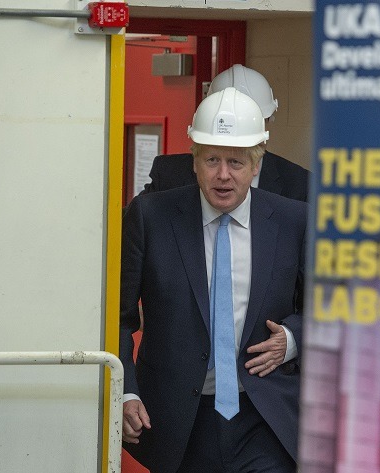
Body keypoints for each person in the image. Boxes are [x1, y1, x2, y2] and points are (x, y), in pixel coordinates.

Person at [120, 87, 306, 472]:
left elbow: (330, 309)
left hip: (265, 416)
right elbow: (117, 318)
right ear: (194, 161)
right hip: (179, 419)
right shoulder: (150, 217)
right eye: (212, 160)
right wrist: (125, 391)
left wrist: (292, 340)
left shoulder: (294, 221)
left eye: (236, 163)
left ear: (257, 165)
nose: (223, 175)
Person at [140, 64, 309, 202]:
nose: (224, 174)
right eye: (213, 160)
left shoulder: (300, 185)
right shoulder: (169, 175)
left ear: (266, 124)